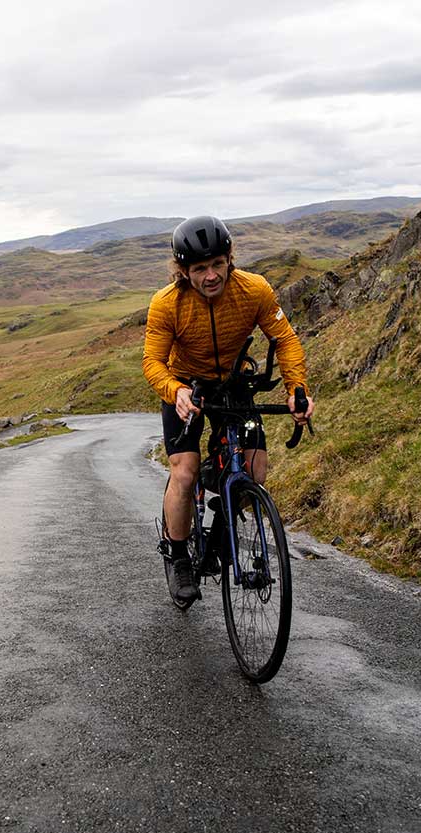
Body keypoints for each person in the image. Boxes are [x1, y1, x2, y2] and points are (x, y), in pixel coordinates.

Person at [143, 215, 314, 607]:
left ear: (229, 258)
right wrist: (175, 391)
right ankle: (179, 556)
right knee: (184, 472)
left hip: (234, 383)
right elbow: (152, 362)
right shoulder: (167, 304)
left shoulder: (254, 290)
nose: (211, 276)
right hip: (186, 385)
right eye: (200, 268)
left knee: (254, 472)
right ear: (183, 270)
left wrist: (297, 389)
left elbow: (285, 339)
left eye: (218, 264)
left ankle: (224, 499)